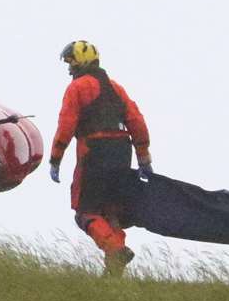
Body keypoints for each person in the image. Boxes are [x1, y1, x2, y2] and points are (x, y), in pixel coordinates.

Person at [50, 41, 153, 276]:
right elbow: (136, 121)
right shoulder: (116, 88)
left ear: (81, 62)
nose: (69, 69)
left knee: (85, 212)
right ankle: (114, 270)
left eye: (71, 63)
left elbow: (66, 125)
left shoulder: (77, 88)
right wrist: (143, 157)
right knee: (111, 211)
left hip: (94, 151)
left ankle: (115, 250)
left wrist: (55, 158)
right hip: (122, 152)